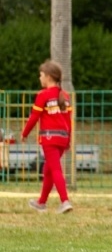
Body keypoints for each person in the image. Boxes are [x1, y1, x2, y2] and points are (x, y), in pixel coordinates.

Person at [21, 60, 73, 214]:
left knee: (55, 169)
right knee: (48, 169)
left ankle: (65, 201)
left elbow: (34, 117)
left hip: (49, 138)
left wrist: (24, 133)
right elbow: (68, 121)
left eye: (41, 75)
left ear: (49, 77)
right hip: (62, 138)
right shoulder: (65, 95)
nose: (39, 78)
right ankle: (41, 203)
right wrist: (68, 140)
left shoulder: (43, 95)